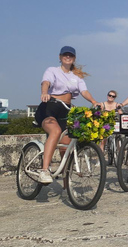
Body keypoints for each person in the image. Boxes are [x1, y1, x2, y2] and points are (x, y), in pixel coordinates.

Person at [36, 46, 99, 184]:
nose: (68, 57)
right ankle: (44, 170)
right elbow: (46, 82)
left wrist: (94, 101)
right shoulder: (52, 70)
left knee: (66, 145)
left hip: (66, 110)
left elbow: (84, 91)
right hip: (49, 107)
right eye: (65, 55)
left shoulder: (76, 77)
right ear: (60, 57)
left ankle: (66, 186)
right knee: (56, 131)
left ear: (74, 58)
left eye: (70, 55)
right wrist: (44, 93)